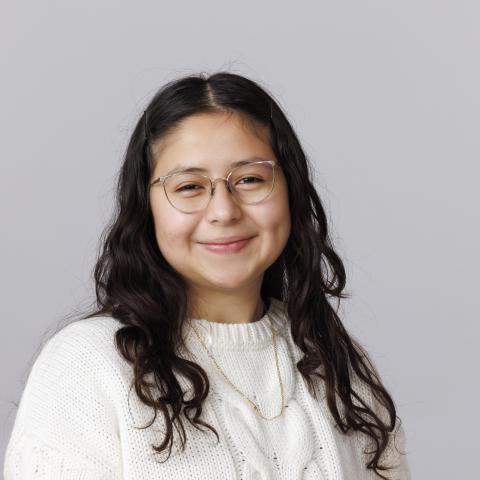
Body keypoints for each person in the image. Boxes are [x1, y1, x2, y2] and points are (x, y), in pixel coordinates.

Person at [3, 72, 411, 479]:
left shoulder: (342, 365)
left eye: (250, 179)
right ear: (147, 207)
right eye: (189, 186)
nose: (223, 211)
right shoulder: (89, 367)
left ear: (291, 189)